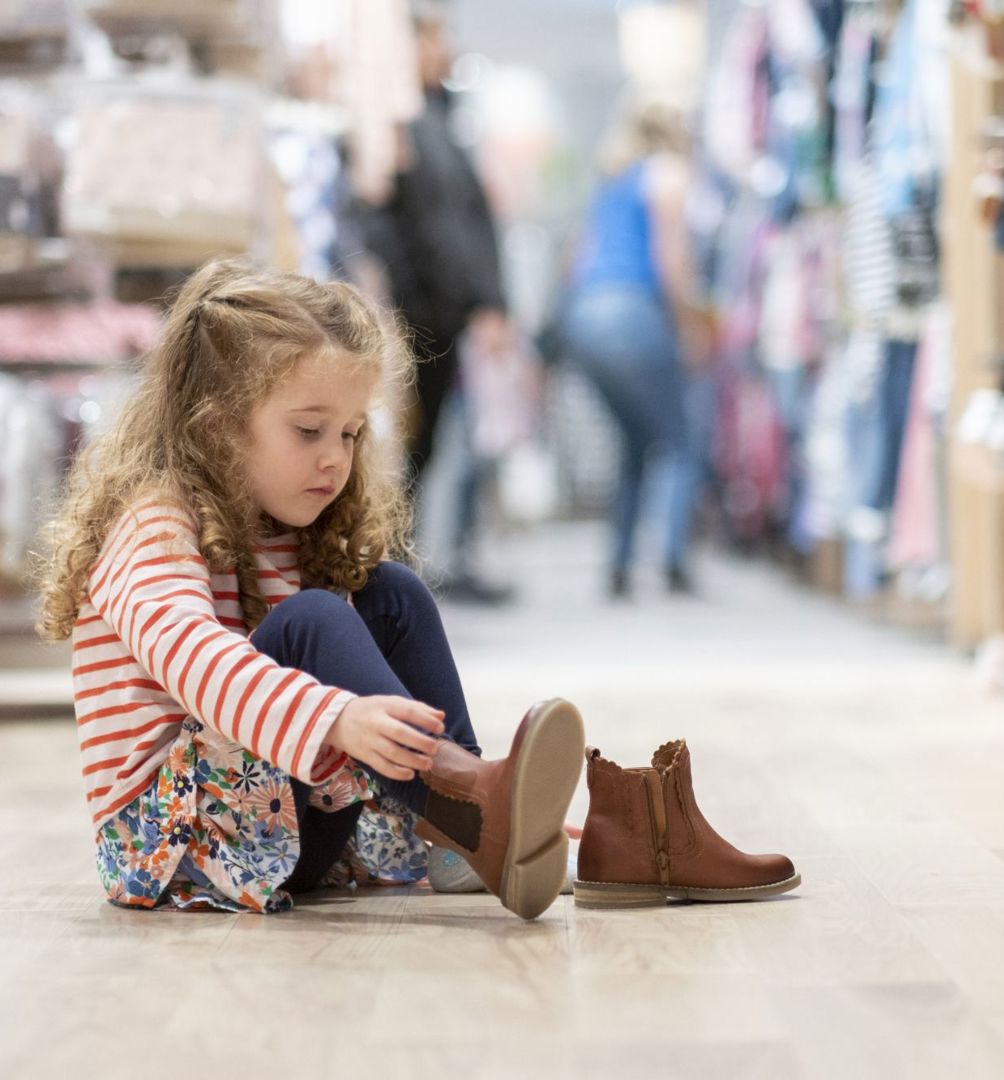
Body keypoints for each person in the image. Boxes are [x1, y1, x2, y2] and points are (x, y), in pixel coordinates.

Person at [35, 258, 585, 920]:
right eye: (308, 430)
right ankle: (470, 810)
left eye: (351, 433)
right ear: (218, 423)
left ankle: (464, 827)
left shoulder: (290, 528)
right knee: (312, 620)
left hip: (279, 826)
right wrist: (334, 717)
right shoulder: (154, 523)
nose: (336, 456)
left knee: (391, 593)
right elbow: (194, 659)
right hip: (173, 845)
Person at [367, 1, 513, 604]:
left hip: (443, 315)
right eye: (432, 39)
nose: (443, 51)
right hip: (412, 312)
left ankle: (403, 571)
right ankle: (389, 573)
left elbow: (472, 221)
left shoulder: (442, 121)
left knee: (425, 447)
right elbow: (391, 223)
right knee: (402, 446)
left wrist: (491, 302)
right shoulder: (393, 122)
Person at [563, 98, 715, 599]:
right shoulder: (667, 173)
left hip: (585, 317)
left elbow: (575, 260)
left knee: (633, 443)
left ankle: (620, 564)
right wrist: (691, 323)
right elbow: (671, 262)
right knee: (680, 441)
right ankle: (673, 562)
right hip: (633, 314)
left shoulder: (610, 180)